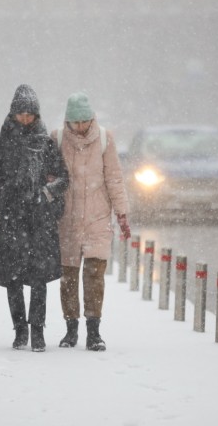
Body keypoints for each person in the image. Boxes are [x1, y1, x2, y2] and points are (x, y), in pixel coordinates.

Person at [0, 84, 69, 352]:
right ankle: (20, 330)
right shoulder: (3, 143)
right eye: (21, 113)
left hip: (38, 219)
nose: (26, 118)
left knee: (39, 278)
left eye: (31, 114)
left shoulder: (46, 144)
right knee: (13, 277)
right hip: (8, 219)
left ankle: (37, 331)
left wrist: (46, 191)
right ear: (13, 114)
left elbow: (63, 178)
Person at [51, 92, 131, 352]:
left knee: (95, 276)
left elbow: (114, 178)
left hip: (97, 218)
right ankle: (70, 329)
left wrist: (122, 213)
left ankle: (94, 332)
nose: (81, 127)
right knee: (69, 277)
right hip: (67, 220)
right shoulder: (58, 138)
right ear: (68, 122)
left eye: (85, 121)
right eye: (76, 122)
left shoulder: (105, 139)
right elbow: (50, 177)